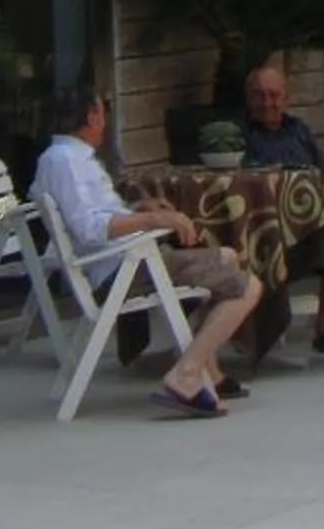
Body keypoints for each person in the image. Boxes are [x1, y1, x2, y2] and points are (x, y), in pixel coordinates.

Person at [31, 89, 261, 419]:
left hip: (121, 262)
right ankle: (186, 374)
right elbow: (89, 228)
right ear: (92, 117)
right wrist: (155, 219)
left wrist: (139, 208)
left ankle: (210, 372)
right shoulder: (65, 161)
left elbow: (95, 214)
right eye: (102, 113)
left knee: (226, 256)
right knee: (248, 287)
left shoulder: (66, 157)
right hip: (122, 270)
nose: (105, 122)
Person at [240, 60, 324, 357]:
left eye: (274, 95)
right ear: (248, 98)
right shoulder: (239, 135)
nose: (267, 103)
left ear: (286, 97)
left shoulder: (299, 130)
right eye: (259, 95)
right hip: (264, 223)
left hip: (309, 222)